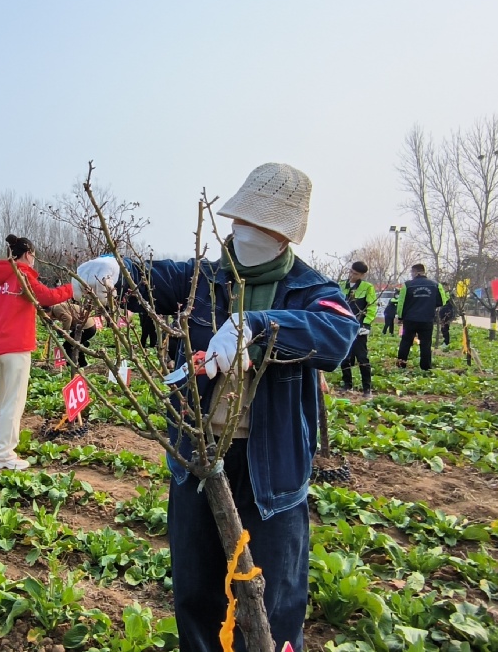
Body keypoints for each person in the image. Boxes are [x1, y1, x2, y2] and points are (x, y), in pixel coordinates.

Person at [77, 163, 358, 652]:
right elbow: (152, 281)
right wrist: (115, 273)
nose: (247, 232)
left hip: (272, 470)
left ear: (284, 235)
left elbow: (337, 334)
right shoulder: (203, 280)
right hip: (198, 457)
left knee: (275, 603)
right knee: (195, 591)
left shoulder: (312, 290)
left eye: (263, 225)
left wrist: (259, 327)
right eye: (243, 220)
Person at [0, 234, 77, 470]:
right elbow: (47, 295)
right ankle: (3, 453)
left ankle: (2, 444)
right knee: (14, 401)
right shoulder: (22, 274)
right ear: (28, 254)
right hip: (17, 346)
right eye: (34, 255)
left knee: (4, 398)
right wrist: (73, 288)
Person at [396, 264, 448, 371]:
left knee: (405, 342)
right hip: (427, 319)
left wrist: (400, 317)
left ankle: (401, 365)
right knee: (425, 344)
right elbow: (442, 301)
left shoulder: (407, 285)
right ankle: (425, 368)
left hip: (410, 319)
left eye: (411, 273)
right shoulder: (436, 285)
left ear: (415, 272)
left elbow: (401, 303)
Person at [339, 261, 377, 396]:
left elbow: (372, 306)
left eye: (355, 274)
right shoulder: (342, 285)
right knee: (345, 357)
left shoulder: (367, 287)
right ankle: (347, 384)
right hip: (344, 325)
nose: (351, 275)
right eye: (351, 272)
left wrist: (366, 324)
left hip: (360, 326)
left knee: (362, 357)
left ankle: (367, 388)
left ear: (362, 275)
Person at [49, 301, 97, 368]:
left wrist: (65, 332)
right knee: (76, 344)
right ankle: (83, 363)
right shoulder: (57, 307)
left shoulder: (56, 309)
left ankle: (71, 366)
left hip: (86, 328)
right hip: (88, 327)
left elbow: (68, 318)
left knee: (68, 345)